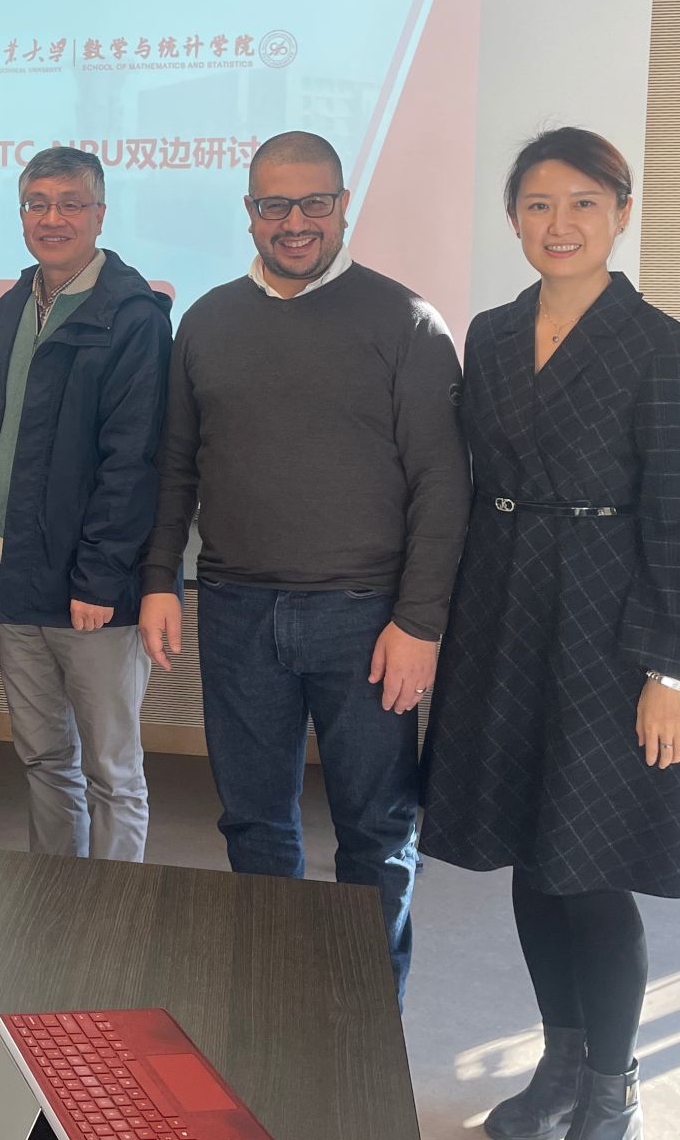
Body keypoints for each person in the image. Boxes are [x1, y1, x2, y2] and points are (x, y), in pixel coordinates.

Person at [422, 129, 680, 1140]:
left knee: (587, 867)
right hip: (501, 611)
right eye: (538, 204)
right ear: (512, 217)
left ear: (620, 214)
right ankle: (560, 1063)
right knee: (527, 854)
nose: (560, 223)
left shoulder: (662, 345)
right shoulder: (492, 333)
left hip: (606, 624)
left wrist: (667, 670)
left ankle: (614, 1082)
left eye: (584, 203)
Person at [137, 130, 467, 1004]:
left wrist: (419, 623)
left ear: (344, 205)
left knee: (376, 834)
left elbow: (443, 485)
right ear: (249, 211)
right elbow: (176, 467)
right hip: (237, 610)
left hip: (368, 621)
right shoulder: (207, 321)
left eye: (314, 202)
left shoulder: (406, 322)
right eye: (274, 205)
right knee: (253, 825)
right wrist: (160, 577)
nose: (295, 222)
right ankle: (275, 1008)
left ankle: (366, 1026)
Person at [0, 145, 172, 862]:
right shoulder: (9, 308)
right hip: (16, 576)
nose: (52, 218)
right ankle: (58, 900)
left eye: (70, 204)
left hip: (93, 591)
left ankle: (112, 913)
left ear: (99, 214)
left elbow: (134, 462)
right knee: (43, 757)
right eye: (38, 204)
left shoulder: (134, 317)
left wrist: (99, 576)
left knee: (111, 772)